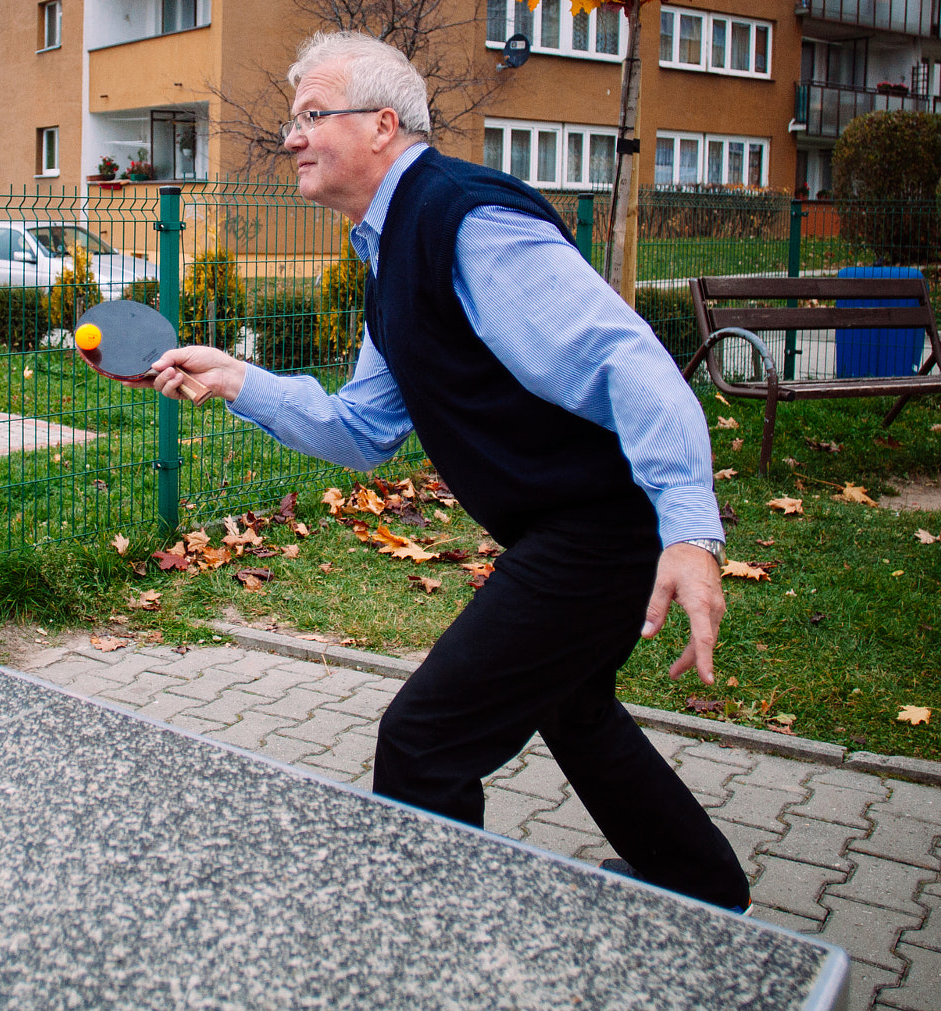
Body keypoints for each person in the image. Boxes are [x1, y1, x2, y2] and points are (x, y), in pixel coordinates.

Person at [136, 31, 750, 911]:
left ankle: (430, 950)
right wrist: (236, 378)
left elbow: (629, 363)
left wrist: (689, 532)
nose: (290, 137)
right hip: (570, 526)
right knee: (572, 706)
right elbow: (363, 430)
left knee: (424, 741)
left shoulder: (468, 220)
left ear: (384, 125)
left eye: (313, 115)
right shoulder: (391, 250)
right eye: (291, 120)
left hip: (600, 532)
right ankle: (701, 886)